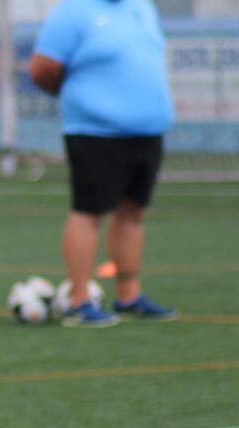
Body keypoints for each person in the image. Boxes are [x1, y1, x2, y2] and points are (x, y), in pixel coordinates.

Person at [30, 0, 178, 327]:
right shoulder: (72, 11)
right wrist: (88, 98)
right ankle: (79, 301)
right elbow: (42, 69)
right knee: (88, 212)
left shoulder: (143, 7)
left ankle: (129, 295)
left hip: (148, 130)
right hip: (95, 132)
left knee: (133, 211)